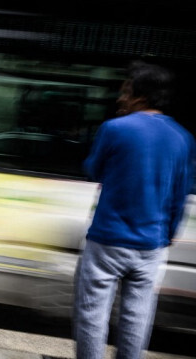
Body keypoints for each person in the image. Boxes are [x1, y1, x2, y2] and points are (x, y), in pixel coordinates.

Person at [73, 60, 195, 358]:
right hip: (152, 244)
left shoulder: (114, 129)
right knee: (137, 316)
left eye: (125, 91)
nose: (120, 98)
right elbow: (181, 194)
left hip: (107, 240)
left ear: (140, 96)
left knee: (92, 313)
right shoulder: (183, 138)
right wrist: (168, 234)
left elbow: (94, 170)